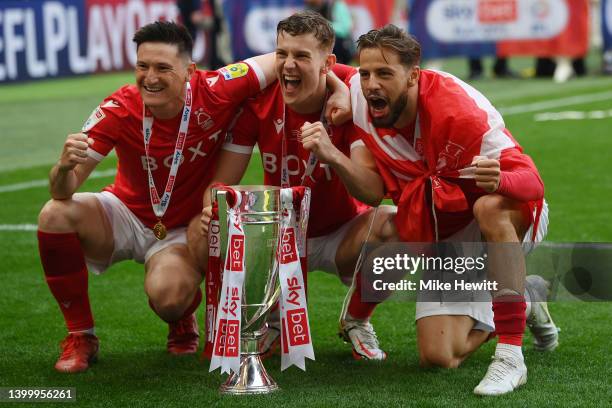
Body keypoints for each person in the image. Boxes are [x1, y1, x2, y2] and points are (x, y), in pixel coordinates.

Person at [36, 20, 357, 374]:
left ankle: (182, 319)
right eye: (142, 66)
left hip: (179, 232)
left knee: (170, 298)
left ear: (189, 71)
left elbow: (297, 60)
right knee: (54, 213)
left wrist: (339, 85)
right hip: (125, 214)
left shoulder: (219, 89)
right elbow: (61, 190)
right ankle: (81, 334)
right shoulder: (119, 106)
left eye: (162, 68)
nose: (150, 78)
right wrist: (64, 168)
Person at [335, 24, 558, 395]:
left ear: (414, 76)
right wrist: (336, 90)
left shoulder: (460, 112)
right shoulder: (359, 92)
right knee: (438, 356)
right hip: (449, 231)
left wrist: (500, 179)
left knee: (489, 207)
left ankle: (510, 356)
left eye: (385, 74)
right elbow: (323, 69)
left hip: (507, 218)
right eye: (365, 73)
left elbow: (533, 183)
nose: (371, 83)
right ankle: (527, 297)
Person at [197, 11, 396, 361]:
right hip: (280, 232)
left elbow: (373, 191)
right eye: (282, 54)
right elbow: (221, 183)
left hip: (341, 232)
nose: (289, 65)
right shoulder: (256, 103)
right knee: (205, 231)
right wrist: (210, 207)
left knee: (397, 223)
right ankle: (268, 319)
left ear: (327, 63)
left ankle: (356, 319)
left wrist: (331, 154)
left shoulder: (354, 95)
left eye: (302, 56)